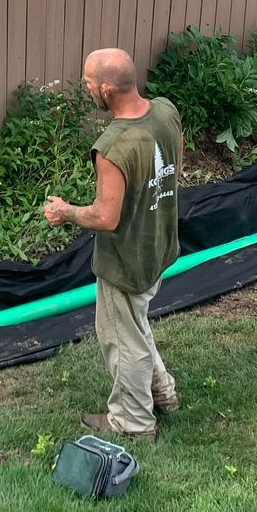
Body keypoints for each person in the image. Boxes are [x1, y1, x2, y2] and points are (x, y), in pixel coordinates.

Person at [43, 47, 182, 440]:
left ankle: (134, 423)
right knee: (135, 327)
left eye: (88, 83)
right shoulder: (165, 113)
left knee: (123, 342)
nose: (86, 89)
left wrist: (66, 212)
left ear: (106, 88)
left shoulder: (114, 146)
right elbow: (173, 168)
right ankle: (163, 393)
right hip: (159, 243)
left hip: (127, 257)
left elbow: (106, 217)